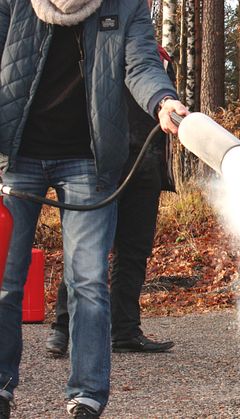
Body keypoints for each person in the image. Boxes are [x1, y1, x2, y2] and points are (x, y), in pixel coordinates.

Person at [0, 0, 188, 418]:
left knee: (87, 281)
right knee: (5, 282)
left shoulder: (126, 5)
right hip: (16, 156)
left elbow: (141, 64)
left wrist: (163, 101)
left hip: (89, 160)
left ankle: (85, 397)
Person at [46, 46, 178, 357]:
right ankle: (62, 328)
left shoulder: (161, 57)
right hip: (99, 165)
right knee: (86, 248)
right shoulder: (98, 46)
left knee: (134, 251)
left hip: (146, 165)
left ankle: (125, 330)